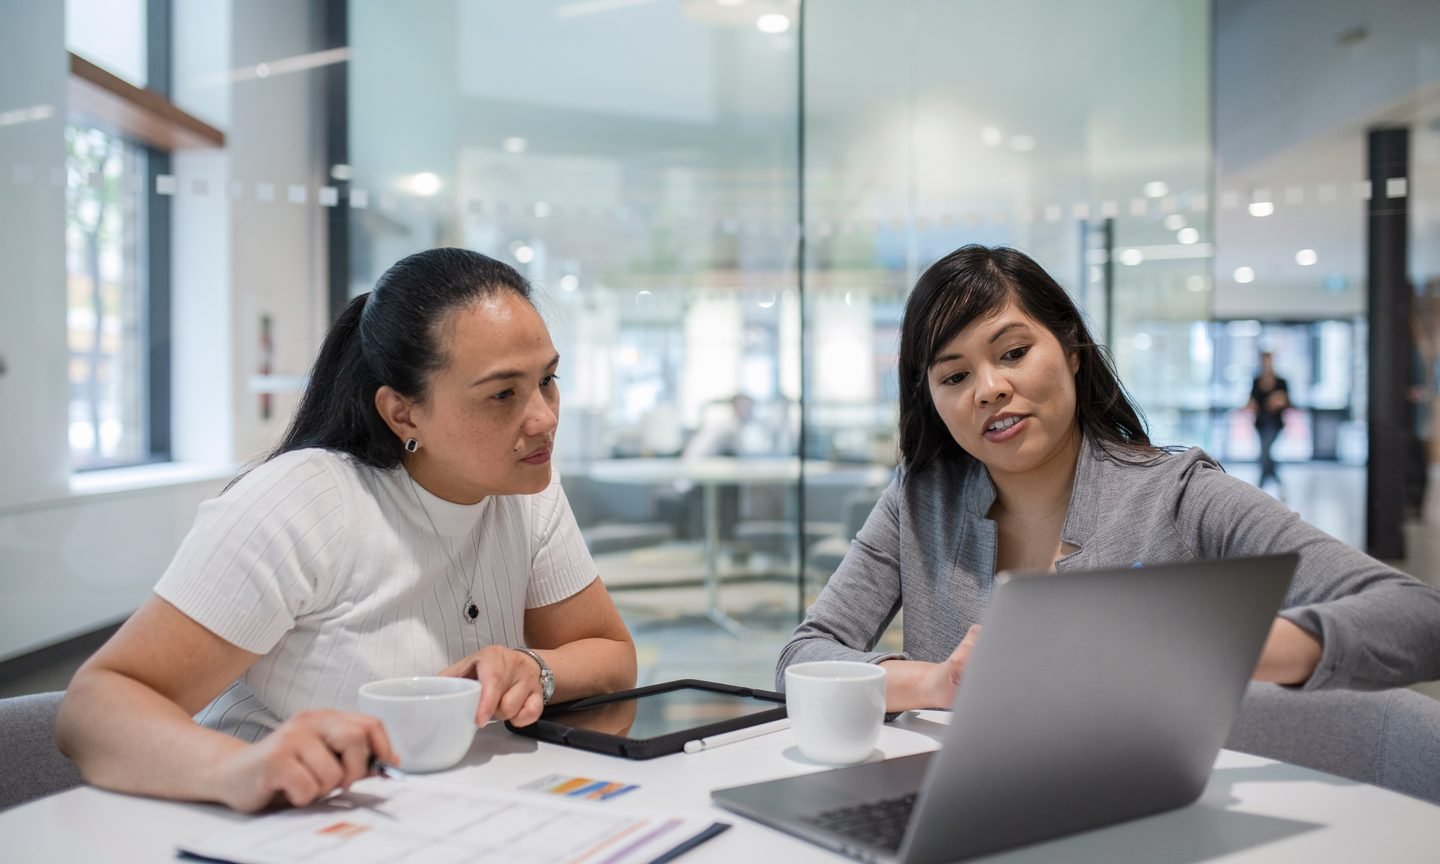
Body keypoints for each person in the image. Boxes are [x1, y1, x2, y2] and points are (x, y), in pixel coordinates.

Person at [55, 248, 637, 812]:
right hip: (277, 824)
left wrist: (534, 668)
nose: (543, 418)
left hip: (444, 815)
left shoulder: (525, 487)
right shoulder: (303, 502)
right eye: (503, 394)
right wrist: (234, 766)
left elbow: (611, 656)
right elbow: (94, 707)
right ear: (402, 412)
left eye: (548, 381)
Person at [777, 245, 1440, 713]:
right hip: (958, 807)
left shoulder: (1176, 494)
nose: (990, 389)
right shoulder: (920, 504)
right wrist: (933, 684)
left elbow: (1415, 619)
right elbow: (801, 658)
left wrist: (1207, 646)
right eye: (954, 376)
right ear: (933, 399)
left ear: (1069, 351)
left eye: (1012, 352)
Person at [1245, 350, 1289, 496]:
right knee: (1266, 454)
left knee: (1265, 453)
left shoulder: (1281, 382)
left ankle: (1261, 485)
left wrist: (1280, 401)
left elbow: (1289, 402)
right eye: (1263, 360)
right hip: (1260, 423)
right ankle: (1274, 483)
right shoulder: (1256, 381)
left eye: (1268, 360)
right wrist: (1250, 405)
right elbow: (1251, 401)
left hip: (1275, 424)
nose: (1266, 363)